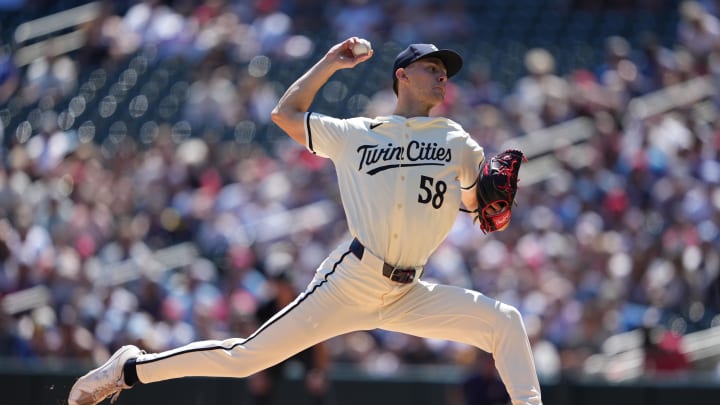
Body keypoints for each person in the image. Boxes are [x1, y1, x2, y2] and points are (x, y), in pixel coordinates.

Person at [67, 37, 543, 405]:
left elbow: (475, 206)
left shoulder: (460, 142)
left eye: (445, 72)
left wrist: (489, 203)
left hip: (409, 292)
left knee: (505, 322)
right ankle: (131, 369)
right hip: (351, 280)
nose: (443, 77)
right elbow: (285, 113)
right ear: (403, 76)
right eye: (432, 69)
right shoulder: (358, 134)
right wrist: (332, 62)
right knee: (244, 359)